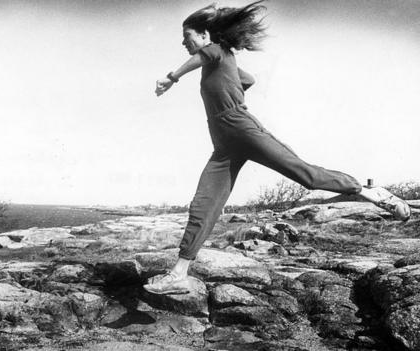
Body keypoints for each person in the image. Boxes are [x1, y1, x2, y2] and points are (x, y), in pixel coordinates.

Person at [143, 1, 411, 295]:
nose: (184, 42)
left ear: (205, 35)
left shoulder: (215, 51)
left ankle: (371, 193)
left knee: (305, 176)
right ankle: (178, 273)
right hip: (223, 146)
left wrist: (171, 78)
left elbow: (209, 58)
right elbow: (248, 79)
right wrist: (231, 85)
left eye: (187, 36)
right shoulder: (221, 59)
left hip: (243, 129)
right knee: (204, 205)